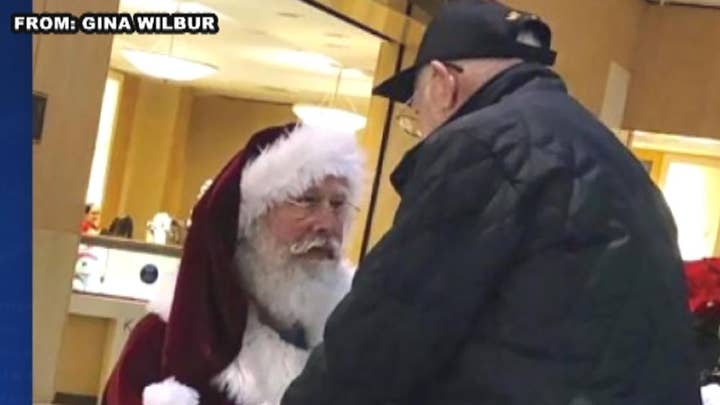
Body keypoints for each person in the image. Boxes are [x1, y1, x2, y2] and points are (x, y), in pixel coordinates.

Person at [281, 1, 699, 404]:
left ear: (443, 84)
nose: (420, 128)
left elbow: (382, 336)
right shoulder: (613, 157)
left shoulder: (483, 146)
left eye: (414, 108)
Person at [102, 123, 364, 405]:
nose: (327, 224)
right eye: (307, 201)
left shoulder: (355, 340)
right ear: (254, 220)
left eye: (338, 204)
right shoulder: (164, 342)